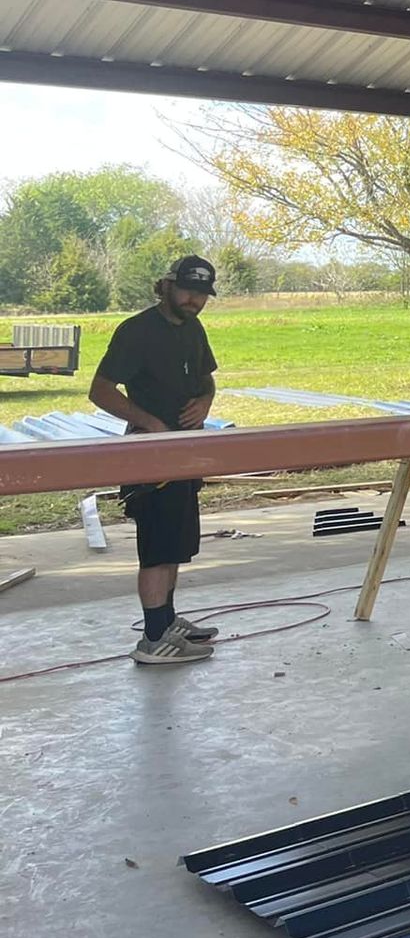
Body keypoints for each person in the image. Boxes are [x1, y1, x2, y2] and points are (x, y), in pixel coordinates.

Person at [90, 255, 222, 665]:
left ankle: (167, 622)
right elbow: (100, 390)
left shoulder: (194, 329)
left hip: (185, 453)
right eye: (187, 291)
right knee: (156, 548)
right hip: (150, 455)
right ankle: (152, 639)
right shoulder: (137, 331)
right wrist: (151, 424)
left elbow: (207, 379)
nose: (194, 300)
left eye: (201, 294)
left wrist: (205, 402)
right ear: (166, 286)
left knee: (176, 544)